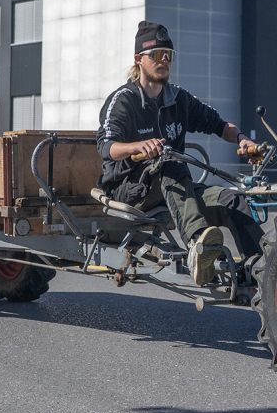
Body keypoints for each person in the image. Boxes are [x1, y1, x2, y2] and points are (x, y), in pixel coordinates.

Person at [97, 21, 263, 286]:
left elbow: (219, 125)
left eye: (168, 55)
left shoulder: (179, 99)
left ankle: (262, 271)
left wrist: (242, 140)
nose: (163, 60)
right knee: (168, 160)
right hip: (129, 190)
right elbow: (107, 148)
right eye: (156, 55)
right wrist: (139, 146)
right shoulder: (124, 100)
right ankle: (199, 244)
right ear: (139, 59)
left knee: (231, 200)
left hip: (174, 189)